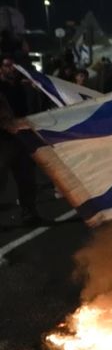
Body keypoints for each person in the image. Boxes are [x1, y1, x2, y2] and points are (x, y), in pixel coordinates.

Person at [0, 57, 48, 225]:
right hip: (4, 140)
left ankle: (29, 213)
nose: (11, 69)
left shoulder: (22, 87)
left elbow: (32, 108)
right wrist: (6, 124)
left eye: (13, 65)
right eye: (7, 66)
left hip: (22, 138)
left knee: (27, 179)